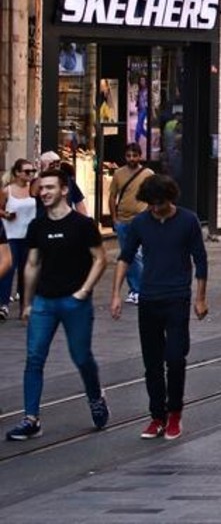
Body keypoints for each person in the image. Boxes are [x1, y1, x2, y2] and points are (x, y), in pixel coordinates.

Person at [6, 169, 109, 442]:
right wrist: (26, 303)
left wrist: (84, 291)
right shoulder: (37, 226)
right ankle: (31, 418)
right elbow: (31, 264)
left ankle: (95, 396)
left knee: (81, 357)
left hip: (74, 302)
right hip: (44, 301)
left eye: (50, 187)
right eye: (42, 188)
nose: (45, 192)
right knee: (34, 358)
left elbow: (100, 258)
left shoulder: (83, 225)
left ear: (65, 190)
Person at [110, 175, 208, 440]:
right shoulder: (141, 223)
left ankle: (174, 412)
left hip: (177, 297)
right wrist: (116, 294)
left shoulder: (188, 220)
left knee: (175, 359)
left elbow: (200, 259)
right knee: (151, 362)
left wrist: (200, 298)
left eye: (159, 204)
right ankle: (157, 416)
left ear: (170, 198)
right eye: (150, 204)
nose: (155, 209)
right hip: (149, 298)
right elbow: (125, 257)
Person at [108, 143, 154, 305]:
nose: (131, 159)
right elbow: (112, 196)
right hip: (122, 220)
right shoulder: (119, 174)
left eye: (134, 155)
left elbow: (153, 196)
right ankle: (136, 289)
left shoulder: (148, 174)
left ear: (140, 156)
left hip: (141, 220)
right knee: (128, 255)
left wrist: (149, 214)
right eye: (128, 156)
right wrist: (114, 218)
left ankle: (139, 289)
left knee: (137, 255)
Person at [1, 158, 38, 319]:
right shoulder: (6, 190)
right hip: (10, 236)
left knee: (27, 271)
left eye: (33, 171)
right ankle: (3, 304)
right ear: (17, 173)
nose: (30, 174)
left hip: (29, 236)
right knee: (8, 269)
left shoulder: (34, 188)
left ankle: (26, 305)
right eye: (27, 171)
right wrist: (6, 214)